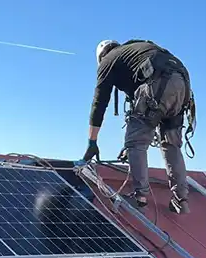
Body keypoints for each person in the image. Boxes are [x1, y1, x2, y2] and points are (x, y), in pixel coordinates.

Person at [82, 39, 196, 215]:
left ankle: (140, 199)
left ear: (101, 56)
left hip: (157, 82)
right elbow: (144, 116)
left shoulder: (108, 61)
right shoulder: (132, 53)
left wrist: (92, 141)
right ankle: (181, 201)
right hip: (182, 84)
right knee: (171, 145)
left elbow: (99, 103)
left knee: (136, 143)